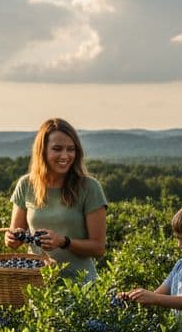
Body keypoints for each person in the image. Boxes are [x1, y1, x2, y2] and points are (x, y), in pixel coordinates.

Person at [6, 118, 108, 283]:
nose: (65, 156)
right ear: (43, 151)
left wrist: (63, 241)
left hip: (80, 288)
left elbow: (98, 248)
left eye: (71, 149)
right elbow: (14, 240)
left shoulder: (89, 187)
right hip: (38, 286)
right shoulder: (26, 184)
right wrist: (11, 238)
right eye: (57, 149)